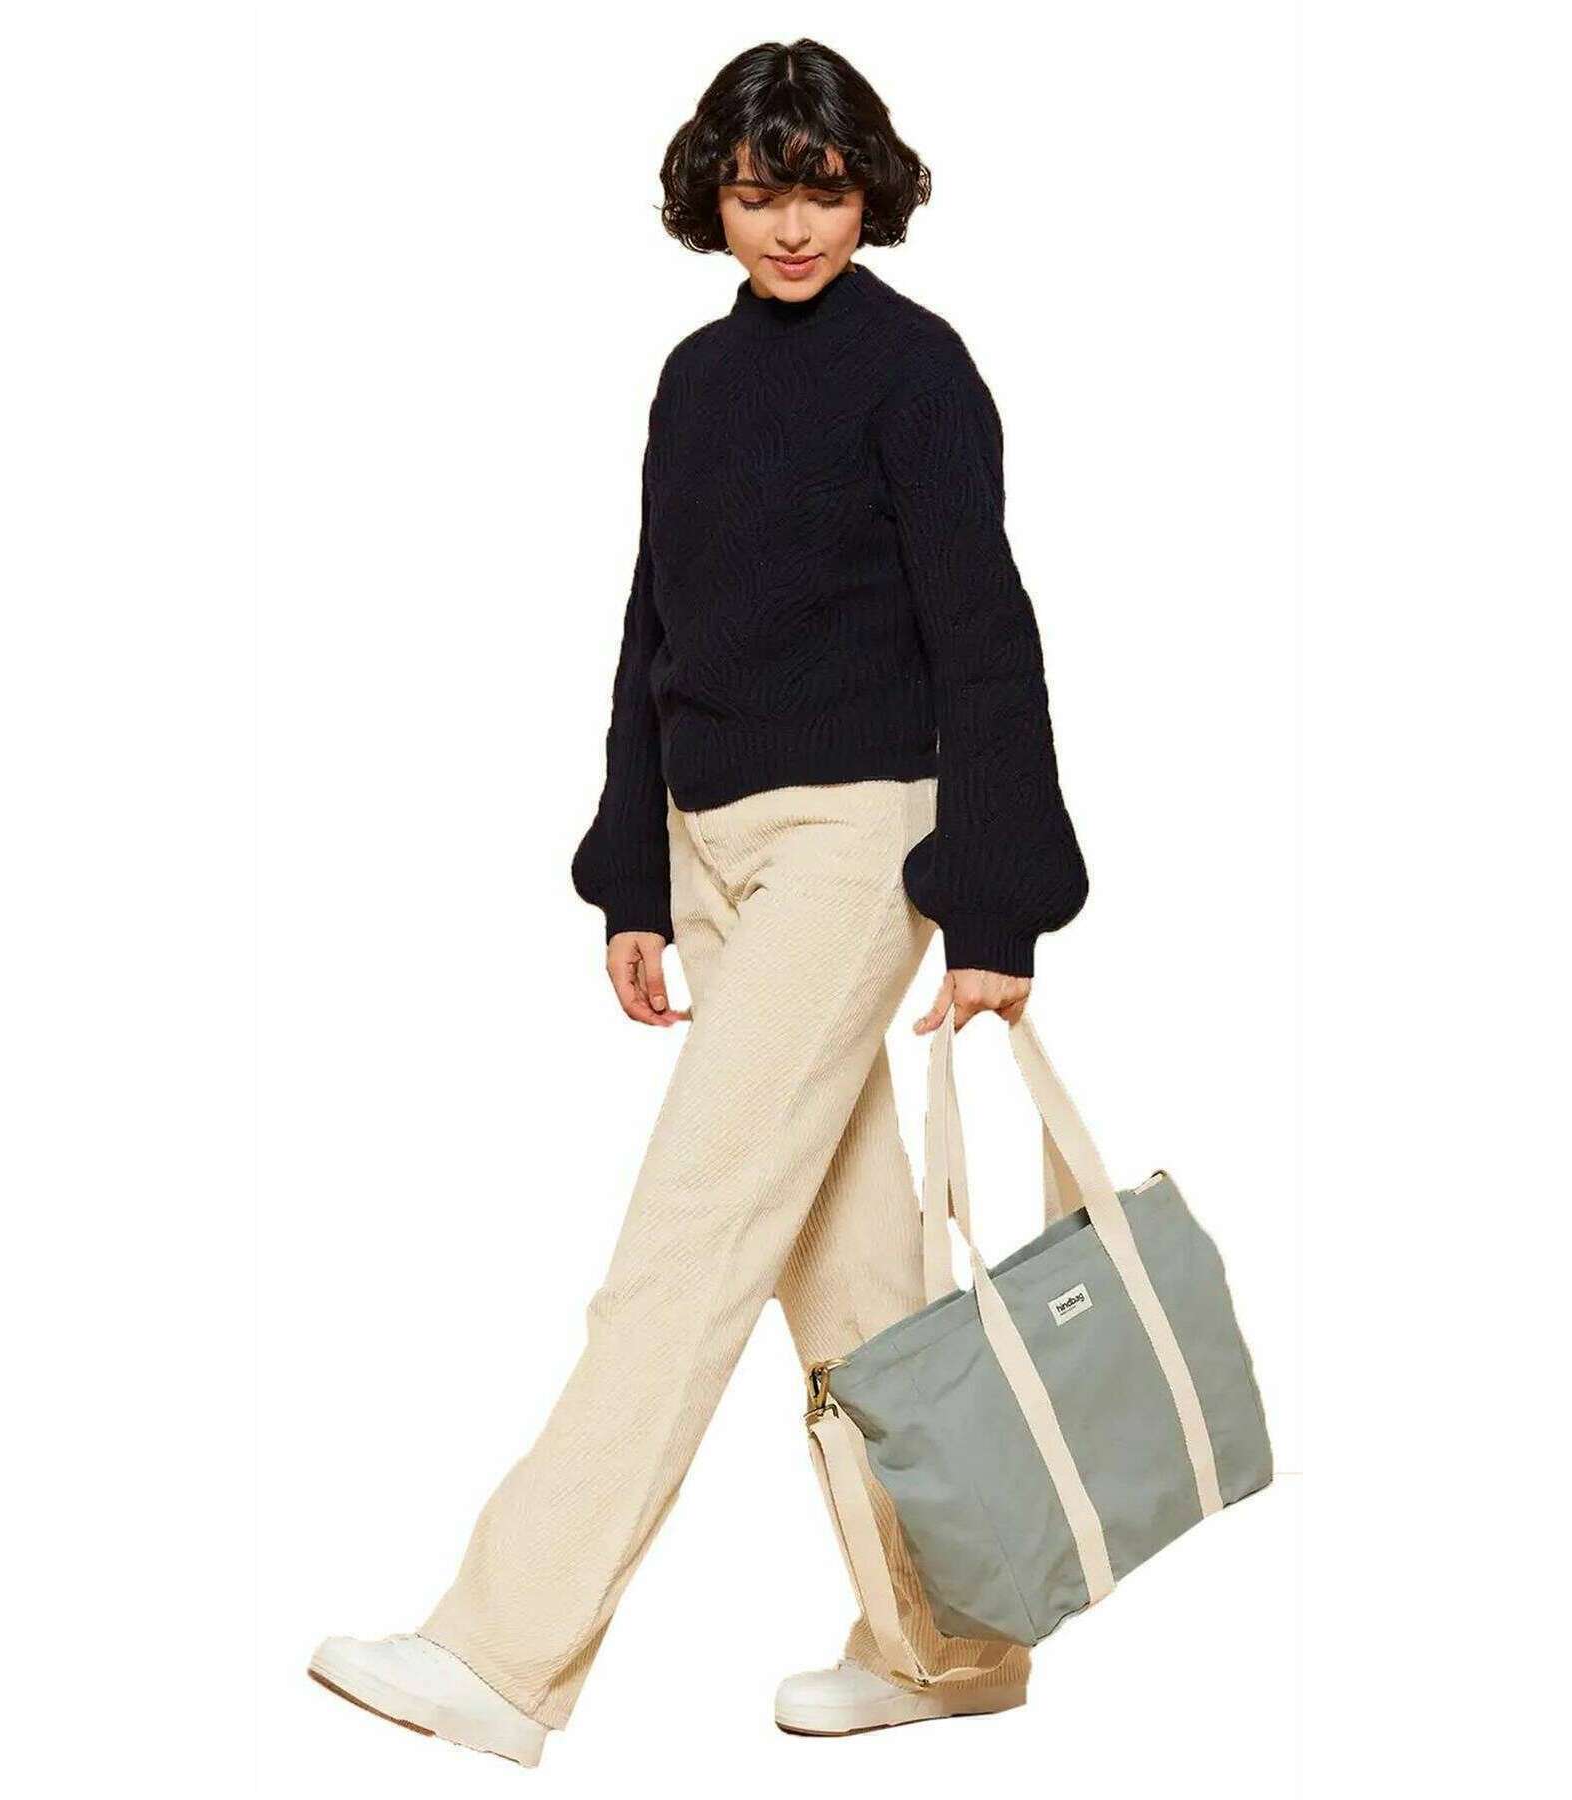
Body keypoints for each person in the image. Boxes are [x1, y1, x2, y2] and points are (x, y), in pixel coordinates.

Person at [308, 37, 1087, 1765]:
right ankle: (952, 1641)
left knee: (687, 1235)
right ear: (711, 199)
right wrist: (634, 876)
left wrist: (995, 911)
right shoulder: (695, 377)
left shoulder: (917, 372)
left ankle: (502, 1653)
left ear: (870, 191)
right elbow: (651, 626)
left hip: (852, 841)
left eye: (823, 190)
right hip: (711, 842)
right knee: (856, 1278)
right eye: (757, 192)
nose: (792, 226)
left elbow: (986, 632)